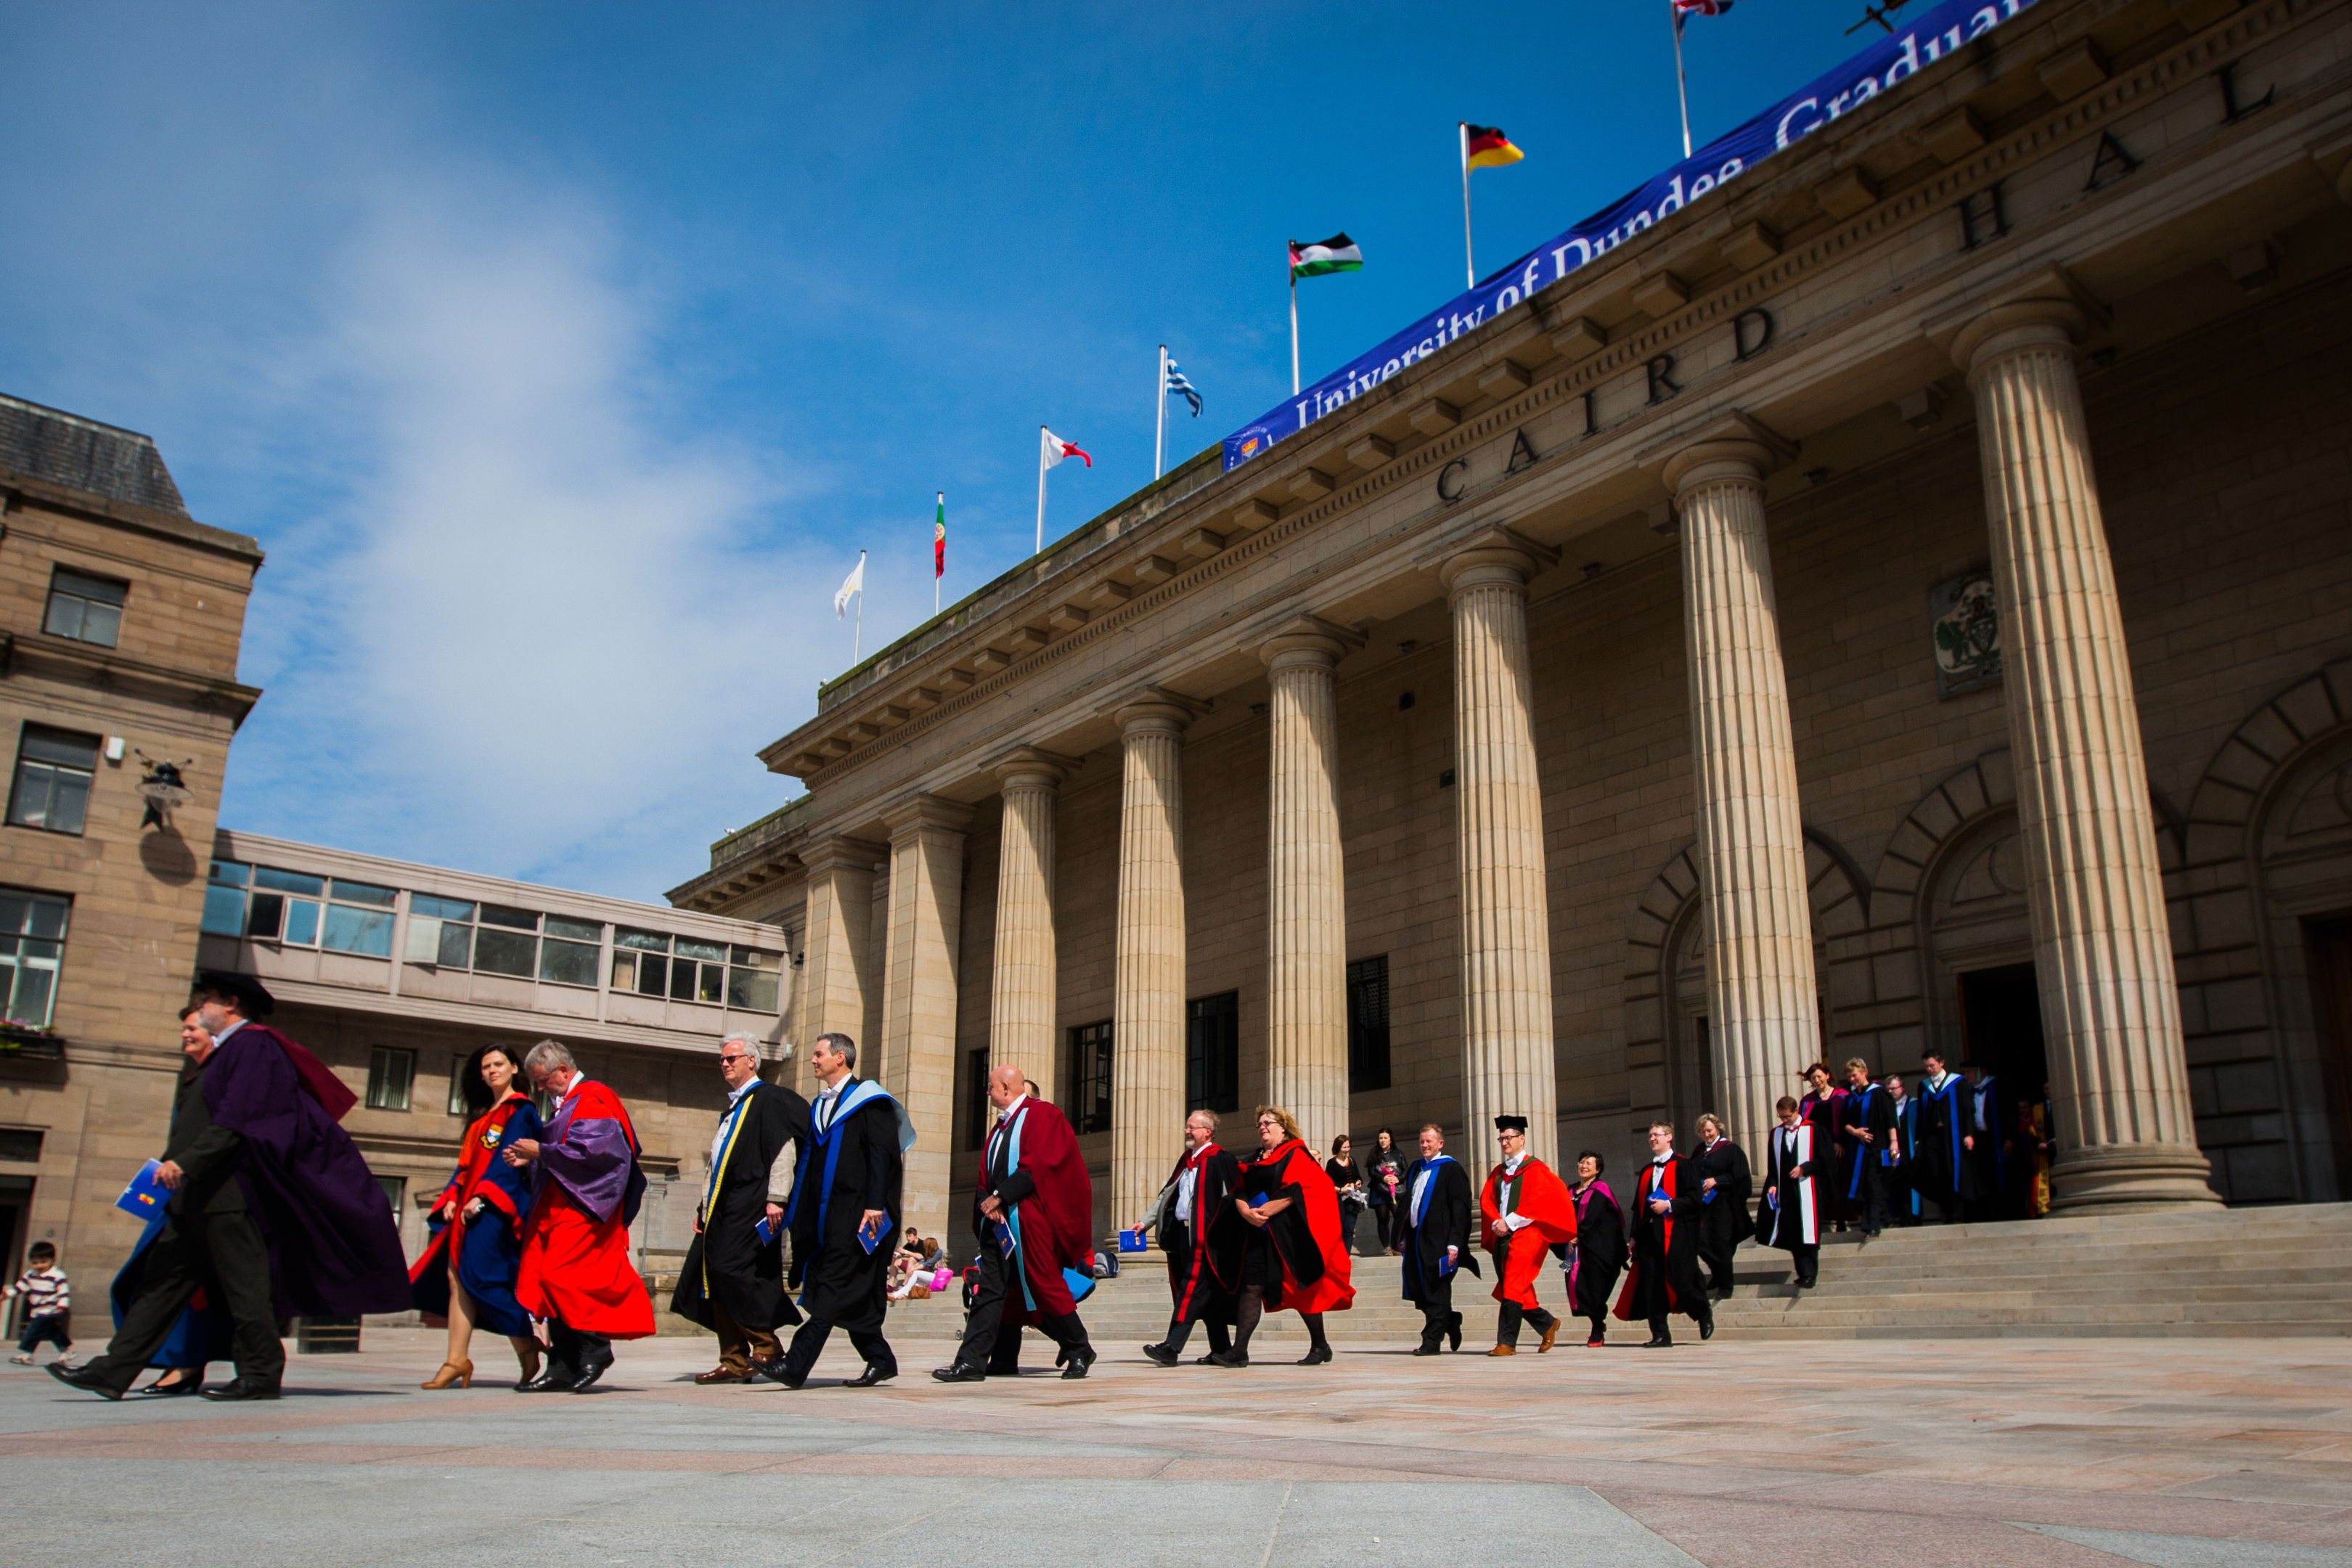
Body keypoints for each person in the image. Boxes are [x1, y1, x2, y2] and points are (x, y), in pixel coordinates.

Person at [52, 972, 409, 1402]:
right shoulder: (227, 1052)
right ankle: (112, 1372)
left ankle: (259, 1374)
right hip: (196, 1196)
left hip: (227, 1194)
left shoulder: (253, 1045)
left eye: (206, 1002)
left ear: (230, 1005)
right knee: (161, 1285)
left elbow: (240, 1119)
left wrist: (186, 1162)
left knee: (246, 1289)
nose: (199, 1010)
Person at [759, 1032, 912, 1389]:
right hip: (828, 1216)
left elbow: (882, 1156)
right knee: (846, 1292)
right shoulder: (820, 1105)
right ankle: (880, 1359)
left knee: (832, 1288)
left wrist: (876, 1204)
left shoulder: (870, 1101)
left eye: (818, 1054)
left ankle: (795, 1366)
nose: (813, 1060)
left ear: (840, 1058)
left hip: (860, 1215)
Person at [504, 1037, 654, 1393]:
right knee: (544, 1277)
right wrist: (534, 1158)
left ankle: (595, 1350)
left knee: (560, 1277)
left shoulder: (593, 1097)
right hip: (560, 1206)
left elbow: (600, 1153)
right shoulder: (570, 1102)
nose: (540, 1088)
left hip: (583, 1207)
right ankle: (562, 1366)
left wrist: (541, 1150)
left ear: (563, 1070)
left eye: (543, 1080)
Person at [934, 1063, 1095, 1383]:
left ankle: (1079, 1348)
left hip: (1028, 1219)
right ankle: (972, 1362)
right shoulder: (998, 1129)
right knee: (991, 1291)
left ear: (1007, 1088)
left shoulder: (1043, 1115)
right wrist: (988, 1202)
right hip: (998, 1222)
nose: (988, 1092)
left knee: (1043, 1283)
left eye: (991, 1087)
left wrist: (1002, 1197)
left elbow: (1041, 1162)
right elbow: (986, 1173)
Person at [106, 1005, 234, 1396]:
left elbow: (221, 1134)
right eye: (183, 1028)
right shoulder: (192, 1077)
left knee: (191, 1285)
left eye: (192, 1028)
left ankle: (187, 1365)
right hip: (177, 1196)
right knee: (160, 1280)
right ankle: (151, 1366)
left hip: (207, 1198)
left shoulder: (220, 1075)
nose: (185, 1034)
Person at [671, 1033, 809, 1385]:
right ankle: (734, 1360)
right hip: (722, 1207)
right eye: (722, 1059)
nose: (725, 1063)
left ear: (752, 1061)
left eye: (732, 1058)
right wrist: (704, 1207)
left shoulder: (769, 1099)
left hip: (751, 1204)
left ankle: (767, 1347)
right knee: (711, 1275)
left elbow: (784, 1149)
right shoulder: (733, 1107)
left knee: (730, 1272)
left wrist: (778, 1197)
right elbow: (715, 1163)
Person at [413, 1043, 545, 1390]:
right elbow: (465, 1167)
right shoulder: (481, 1118)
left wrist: (482, 1197)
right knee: (457, 1277)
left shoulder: (522, 1111)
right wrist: (454, 1197)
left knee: (483, 1279)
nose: (491, 1071)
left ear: (515, 1068)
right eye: (486, 1067)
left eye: (499, 1064)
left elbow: (511, 1161)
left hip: (495, 1209)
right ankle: (456, 1359)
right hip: (468, 1208)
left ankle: (526, 1341)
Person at [1219, 1106, 1353, 1368]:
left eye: (1268, 1122)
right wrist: (1245, 1210)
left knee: (1300, 1287)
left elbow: (1311, 1186)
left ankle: (1320, 1345)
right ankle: (1239, 1351)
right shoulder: (1254, 1156)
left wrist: (1271, 1208)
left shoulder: (1295, 1153)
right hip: (1257, 1233)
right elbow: (1239, 1189)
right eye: (1259, 1124)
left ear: (1283, 1127)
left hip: (1288, 1235)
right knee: (1252, 1286)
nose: (1262, 1127)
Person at [1140, 1109, 1241, 1367]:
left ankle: (1172, 1346)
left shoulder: (1220, 1158)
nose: (1187, 1131)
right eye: (1187, 1127)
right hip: (1183, 1235)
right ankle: (1221, 1349)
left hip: (1207, 1238)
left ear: (1207, 1132)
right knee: (1206, 1294)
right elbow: (1167, 1194)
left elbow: (1234, 1197)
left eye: (1192, 1127)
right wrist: (1145, 1221)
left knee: (1191, 1288)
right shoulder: (1186, 1161)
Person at [1477, 1115, 1577, 1355]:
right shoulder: (1498, 1173)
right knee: (1514, 1285)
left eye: (1509, 1137)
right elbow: (1487, 1200)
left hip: (1529, 1232)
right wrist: (1497, 1222)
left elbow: (1541, 1201)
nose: (1504, 1142)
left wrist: (1510, 1221)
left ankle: (1507, 1343)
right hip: (1503, 1233)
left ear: (1522, 1139)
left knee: (1512, 1282)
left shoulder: (1536, 1169)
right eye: (1501, 1138)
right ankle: (1547, 1323)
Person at [1614, 1121, 1713, 1347]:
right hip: (1649, 1237)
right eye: (1650, 1135)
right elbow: (1637, 1208)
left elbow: (1695, 1199)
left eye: (1656, 1134)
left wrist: (1669, 1205)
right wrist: (1633, 1238)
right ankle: (1660, 1334)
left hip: (1676, 1235)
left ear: (1669, 1137)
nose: (1652, 1138)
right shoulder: (1648, 1171)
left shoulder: (1684, 1166)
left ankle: (1702, 1312)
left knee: (1682, 1280)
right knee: (1651, 1285)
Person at [1397, 1122, 1475, 1355]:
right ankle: (1450, 1320)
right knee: (1419, 1291)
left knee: (1437, 1290)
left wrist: (1455, 1243)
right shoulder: (1416, 1168)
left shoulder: (1452, 1169)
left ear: (1440, 1143)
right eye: (1422, 1141)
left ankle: (1431, 1342)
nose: (1424, 1145)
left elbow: (1460, 1208)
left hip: (1440, 1241)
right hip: (1416, 1240)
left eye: (1429, 1141)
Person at [1757, 1096, 1823, 1287]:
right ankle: (1802, 1273)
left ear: (1796, 1111)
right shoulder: (1776, 1134)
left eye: (1787, 1116)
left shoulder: (1813, 1130)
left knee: (1808, 1235)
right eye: (1781, 1117)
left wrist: (1806, 1168)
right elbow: (1772, 1165)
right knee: (1794, 1234)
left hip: (1808, 1191)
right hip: (1786, 1193)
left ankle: (1810, 1274)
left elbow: (1825, 1160)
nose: (1784, 1121)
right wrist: (1772, 1183)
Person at [1564, 1152, 1625, 1347]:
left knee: (1595, 1289)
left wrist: (1578, 1235)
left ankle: (1597, 1328)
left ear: (1597, 1170)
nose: (1584, 1165)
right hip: (1573, 1250)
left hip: (1597, 1249)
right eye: (1581, 1162)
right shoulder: (1570, 1190)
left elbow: (1594, 1217)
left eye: (1589, 1163)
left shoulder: (1601, 1189)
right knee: (1578, 1288)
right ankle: (1597, 1321)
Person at [1689, 1113, 1752, 1299]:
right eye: (1703, 1131)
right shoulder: (1698, 1152)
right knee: (1701, 1242)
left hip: (1725, 1204)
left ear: (1717, 1128)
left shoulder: (1731, 1149)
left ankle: (1725, 1285)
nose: (1706, 1135)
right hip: (1704, 1205)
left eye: (1709, 1130)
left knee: (1721, 1243)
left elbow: (1740, 1177)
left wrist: (1717, 1180)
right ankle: (1717, 1273)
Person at [1838, 1059, 1898, 1238]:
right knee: (1864, 1184)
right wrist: (1856, 1132)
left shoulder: (1880, 1094)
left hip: (1879, 1147)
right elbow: (1845, 1123)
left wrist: (1894, 1144)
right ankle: (1885, 1217)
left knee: (1874, 1183)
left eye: (1854, 1075)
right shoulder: (1850, 1097)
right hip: (1858, 1150)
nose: (1852, 1079)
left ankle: (1872, 1225)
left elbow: (1891, 1121)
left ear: (1865, 1072)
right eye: (1849, 1077)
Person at [1914, 1050, 1966, 1222]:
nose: (1929, 1069)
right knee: (1934, 1173)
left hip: (1953, 1136)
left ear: (1941, 1063)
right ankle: (1945, 1208)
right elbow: (1922, 1113)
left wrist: (1969, 1134)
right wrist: (1918, 1139)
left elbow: (1967, 1109)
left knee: (1951, 1171)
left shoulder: (1958, 1083)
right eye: (1926, 1066)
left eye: (1932, 1065)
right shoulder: (1924, 1086)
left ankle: (1955, 1213)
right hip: (1932, 1137)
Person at [1798, 1063, 1850, 1232]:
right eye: (1814, 1078)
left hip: (1836, 1147)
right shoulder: (1808, 1101)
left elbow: (1847, 1121)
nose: (1817, 1080)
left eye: (1820, 1076)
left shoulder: (1842, 1096)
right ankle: (1819, 1221)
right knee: (1818, 1186)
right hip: (1815, 1149)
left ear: (1828, 1076)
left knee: (1837, 1184)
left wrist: (1841, 1141)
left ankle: (1841, 1220)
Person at [4, 1241, 69, 1365]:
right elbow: (20, 1288)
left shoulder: (57, 1275)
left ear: (52, 1260)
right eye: (35, 1263)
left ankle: (27, 1355)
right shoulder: (30, 1274)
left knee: (33, 1330)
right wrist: (6, 1295)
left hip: (50, 1310)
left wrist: (62, 1305)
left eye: (43, 1262)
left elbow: (63, 1291)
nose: (38, 1266)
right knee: (52, 1332)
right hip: (37, 1310)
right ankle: (65, 1350)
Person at [1960, 1059, 2009, 1220]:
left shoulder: (1998, 1086)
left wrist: (2009, 1138)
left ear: (1982, 1071)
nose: (1966, 1076)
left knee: (1998, 1175)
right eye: (1965, 1072)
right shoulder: (1968, 1091)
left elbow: (2008, 1115)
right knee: (1980, 1176)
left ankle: (2001, 1211)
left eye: (1969, 1072)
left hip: (1996, 1139)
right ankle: (1985, 1213)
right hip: (1978, 1140)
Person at [1885, 1073, 1922, 1226]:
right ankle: (1897, 1216)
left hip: (1909, 1150)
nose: (1891, 1092)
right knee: (1892, 1182)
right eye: (1888, 1089)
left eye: (1894, 1088)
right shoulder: (1886, 1107)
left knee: (1910, 1183)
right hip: (1891, 1150)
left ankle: (1912, 1217)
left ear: (1903, 1088)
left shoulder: (1914, 1105)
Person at [1364, 1129, 1406, 1254]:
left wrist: (1396, 1179)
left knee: (1398, 1216)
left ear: (1391, 1140)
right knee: (1383, 1218)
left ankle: (1397, 1245)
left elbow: (1405, 1170)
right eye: (1381, 1138)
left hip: (1395, 1190)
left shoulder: (1398, 1154)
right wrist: (1383, 1178)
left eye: (1385, 1138)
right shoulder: (1374, 1154)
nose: (1382, 1141)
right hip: (1379, 1190)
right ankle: (1387, 1246)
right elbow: (1371, 1172)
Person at [1326, 1135, 1367, 1255]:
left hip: (1352, 1198)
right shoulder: (1332, 1163)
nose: (1347, 1150)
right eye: (1344, 1147)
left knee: (1349, 1228)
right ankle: (1339, 1254)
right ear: (1338, 1148)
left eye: (1348, 1147)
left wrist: (1358, 1183)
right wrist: (1340, 1190)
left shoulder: (1352, 1161)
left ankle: (1346, 1254)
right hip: (1339, 1199)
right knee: (1341, 1228)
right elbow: (1328, 1183)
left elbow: (1358, 1177)